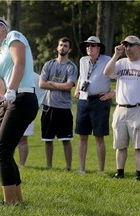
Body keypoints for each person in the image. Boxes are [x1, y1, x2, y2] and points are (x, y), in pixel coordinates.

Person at [0, 15, 38, 205]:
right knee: (5, 152)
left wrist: (11, 89)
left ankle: (8, 203)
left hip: (24, 97)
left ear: (3, 27)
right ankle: (18, 201)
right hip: (8, 101)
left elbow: (20, 62)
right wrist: (2, 97)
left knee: (0, 152)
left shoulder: (14, 36)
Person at [74, 36, 115, 173]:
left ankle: (101, 170)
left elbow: (122, 78)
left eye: (92, 46)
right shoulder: (83, 60)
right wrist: (77, 88)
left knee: (99, 137)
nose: (89, 48)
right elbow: (82, 76)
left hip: (100, 101)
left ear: (99, 48)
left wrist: (112, 93)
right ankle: (81, 169)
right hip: (84, 100)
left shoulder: (107, 60)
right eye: (87, 46)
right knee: (82, 136)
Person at [103, 35, 140, 180]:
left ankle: (138, 174)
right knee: (120, 144)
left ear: (139, 47)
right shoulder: (121, 62)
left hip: (137, 109)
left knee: (138, 145)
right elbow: (107, 73)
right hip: (120, 109)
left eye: (131, 45)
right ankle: (120, 172)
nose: (128, 48)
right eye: (126, 45)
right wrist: (116, 54)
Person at [39, 37, 78, 171]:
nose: (62, 48)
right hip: (48, 106)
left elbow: (68, 87)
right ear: (57, 47)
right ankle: (49, 167)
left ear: (69, 49)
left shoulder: (71, 67)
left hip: (64, 108)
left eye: (65, 46)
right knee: (48, 140)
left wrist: (51, 83)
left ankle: (68, 168)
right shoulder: (48, 64)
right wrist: (58, 85)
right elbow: (41, 84)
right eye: (61, 45)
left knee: (65, 140)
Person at [18, 72, 44, 167]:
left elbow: (41, 94)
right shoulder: (13, 73)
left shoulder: (36, 77)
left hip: (28, 111)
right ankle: (7, 162)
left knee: (23, 138)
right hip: (13, 109)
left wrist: (35, 107)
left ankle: (22, 165)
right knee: (10, 138)